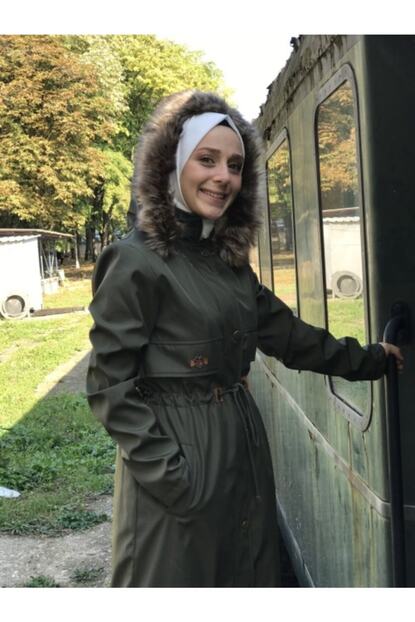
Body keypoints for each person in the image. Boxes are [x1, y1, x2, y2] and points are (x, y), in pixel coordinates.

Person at [86, 90, 403, 588]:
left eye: (235, 166)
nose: (224, 177)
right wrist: (175, 479)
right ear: (171, 164)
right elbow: (109, 387)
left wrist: (371, 359)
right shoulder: (135, 261)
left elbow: (290, 337)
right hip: (179, 460)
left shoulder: (226, 261)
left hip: (241, 446)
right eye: (207, 159)